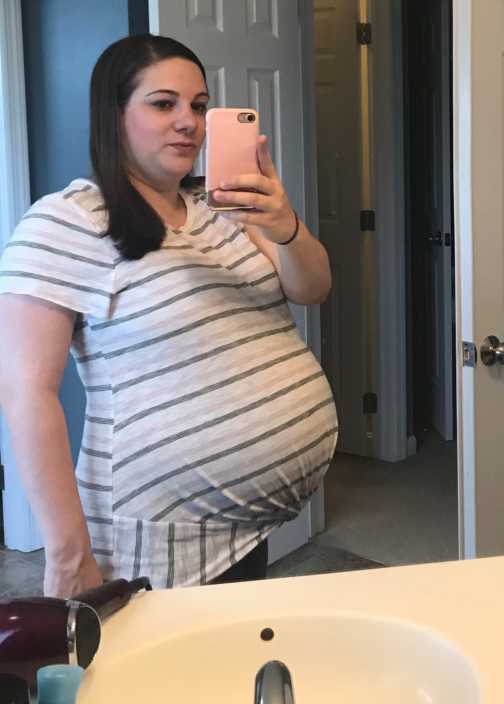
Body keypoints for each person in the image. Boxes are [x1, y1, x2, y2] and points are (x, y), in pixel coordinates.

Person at [0, 35, 338, 597]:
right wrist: (66, 551)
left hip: (243, 529)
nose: (190, 122)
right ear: (114, 115)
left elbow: (314, 288)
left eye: (199, 105)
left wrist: (286, 227)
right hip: (157, 544)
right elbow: (26, 394)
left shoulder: (224, 205)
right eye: (163, 104)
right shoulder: (66, 222)